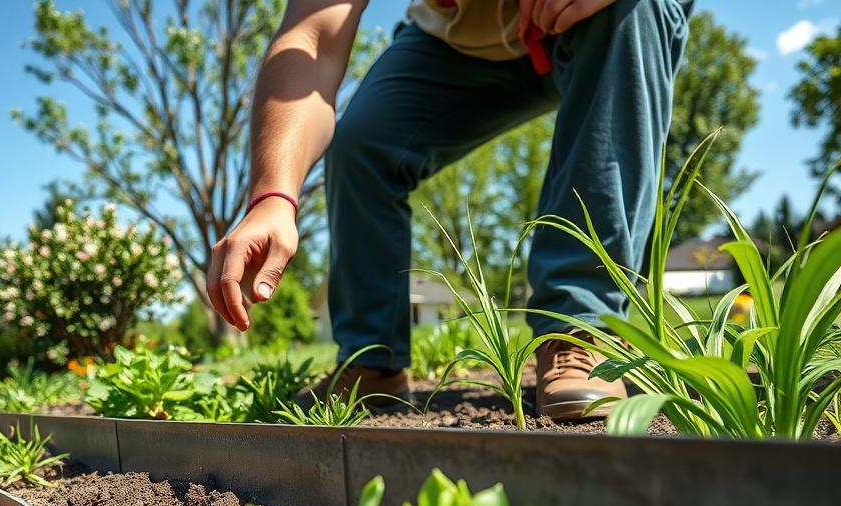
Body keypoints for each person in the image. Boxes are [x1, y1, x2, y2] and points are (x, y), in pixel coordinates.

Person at [207, 0, 693, 419]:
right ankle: (371, 359)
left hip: (596, 21)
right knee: (363, 143)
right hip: (457, 46)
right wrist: (273, 195)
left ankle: (580, 330)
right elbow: (312, 36)